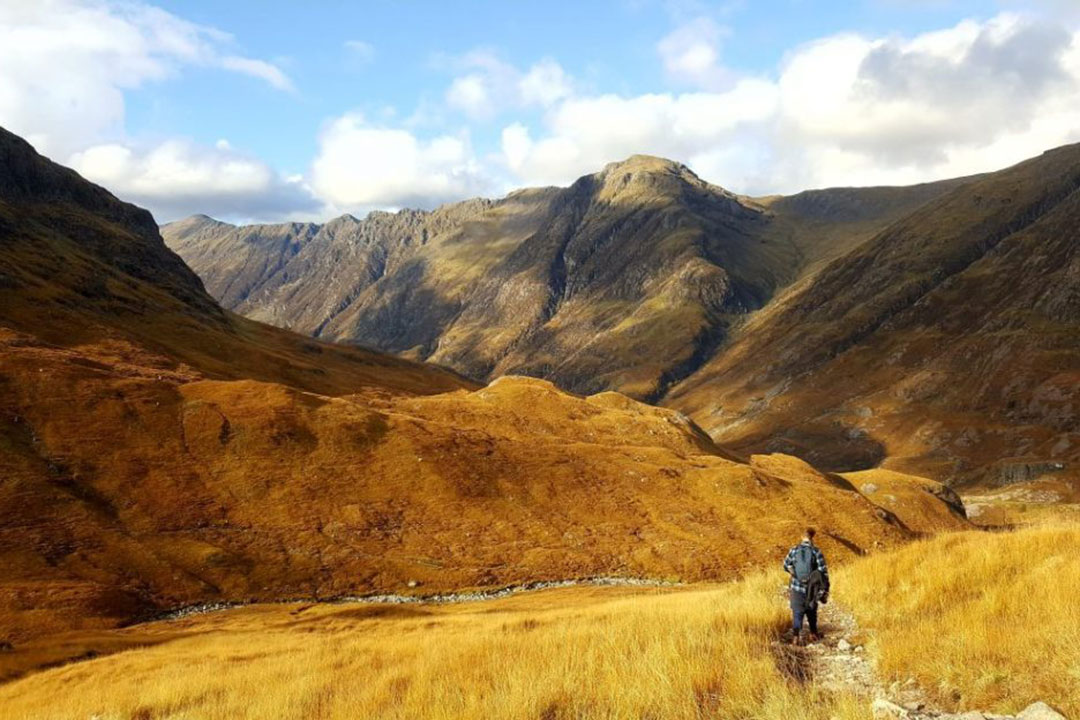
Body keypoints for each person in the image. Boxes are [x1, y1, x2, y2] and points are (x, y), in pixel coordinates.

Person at [783, 527, 829, 645]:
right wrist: (824, 589)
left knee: (797, 611)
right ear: (812, 537)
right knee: (812, 610)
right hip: (811, 588)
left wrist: (795, 575)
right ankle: (813, 634)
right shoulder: (816, 552)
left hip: (796, 586)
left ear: (801, 537)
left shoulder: (794, 550)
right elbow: (823, 572)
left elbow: (786, 565)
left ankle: (796, 637)